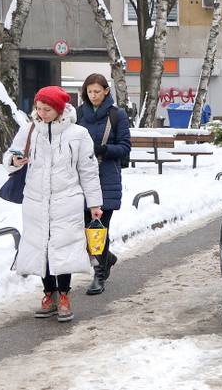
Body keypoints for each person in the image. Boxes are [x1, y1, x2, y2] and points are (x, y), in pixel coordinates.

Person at [3, 86, 103, 322]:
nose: (41, 113)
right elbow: (9, 157)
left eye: (47, 109)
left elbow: (88, 171)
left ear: (59, 109)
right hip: (35, 201)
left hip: (67, 201)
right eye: (38, 108)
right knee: (41, 248)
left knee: (64, 248)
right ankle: (49, 294)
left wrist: (94, 204)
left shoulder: (78, 134)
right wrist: (14, 160)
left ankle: (64, 295)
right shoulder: (29, 130)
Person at [76, 73, 131, 295]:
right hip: (82, 178)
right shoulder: (79, 114)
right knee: (84, 229)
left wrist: (104, 150)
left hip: (107, 177)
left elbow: (125, 147)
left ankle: (99, 275)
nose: (93, 95)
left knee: (98, 229)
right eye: (90, 91)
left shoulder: (117, 115)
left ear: (106, 91)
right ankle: (107, 258)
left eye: (97, 91)